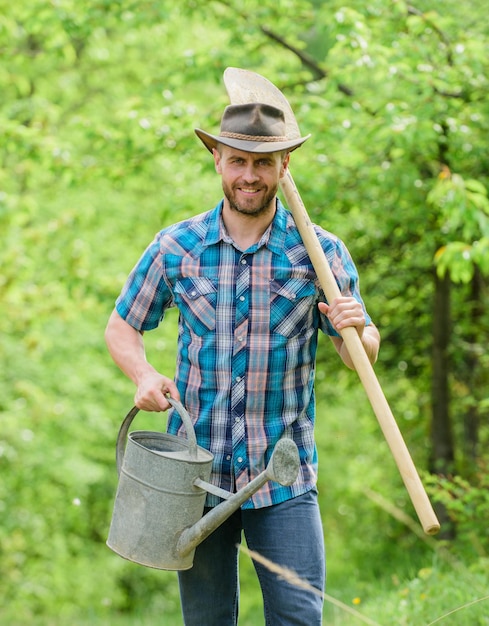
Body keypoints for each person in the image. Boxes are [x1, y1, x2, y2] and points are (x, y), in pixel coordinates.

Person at [105, 101, 380, 625]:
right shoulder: (177, 247)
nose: (249, 176)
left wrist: (360, 329)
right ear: (217, 160)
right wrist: (142, 374)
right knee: (207, 622)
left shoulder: (318, 253)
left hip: (283, 474)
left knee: (299, 618)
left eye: (262, 163)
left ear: (284, 167)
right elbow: (122, 326)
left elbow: (357, 354)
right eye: (237, 161)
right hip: (195, 479)